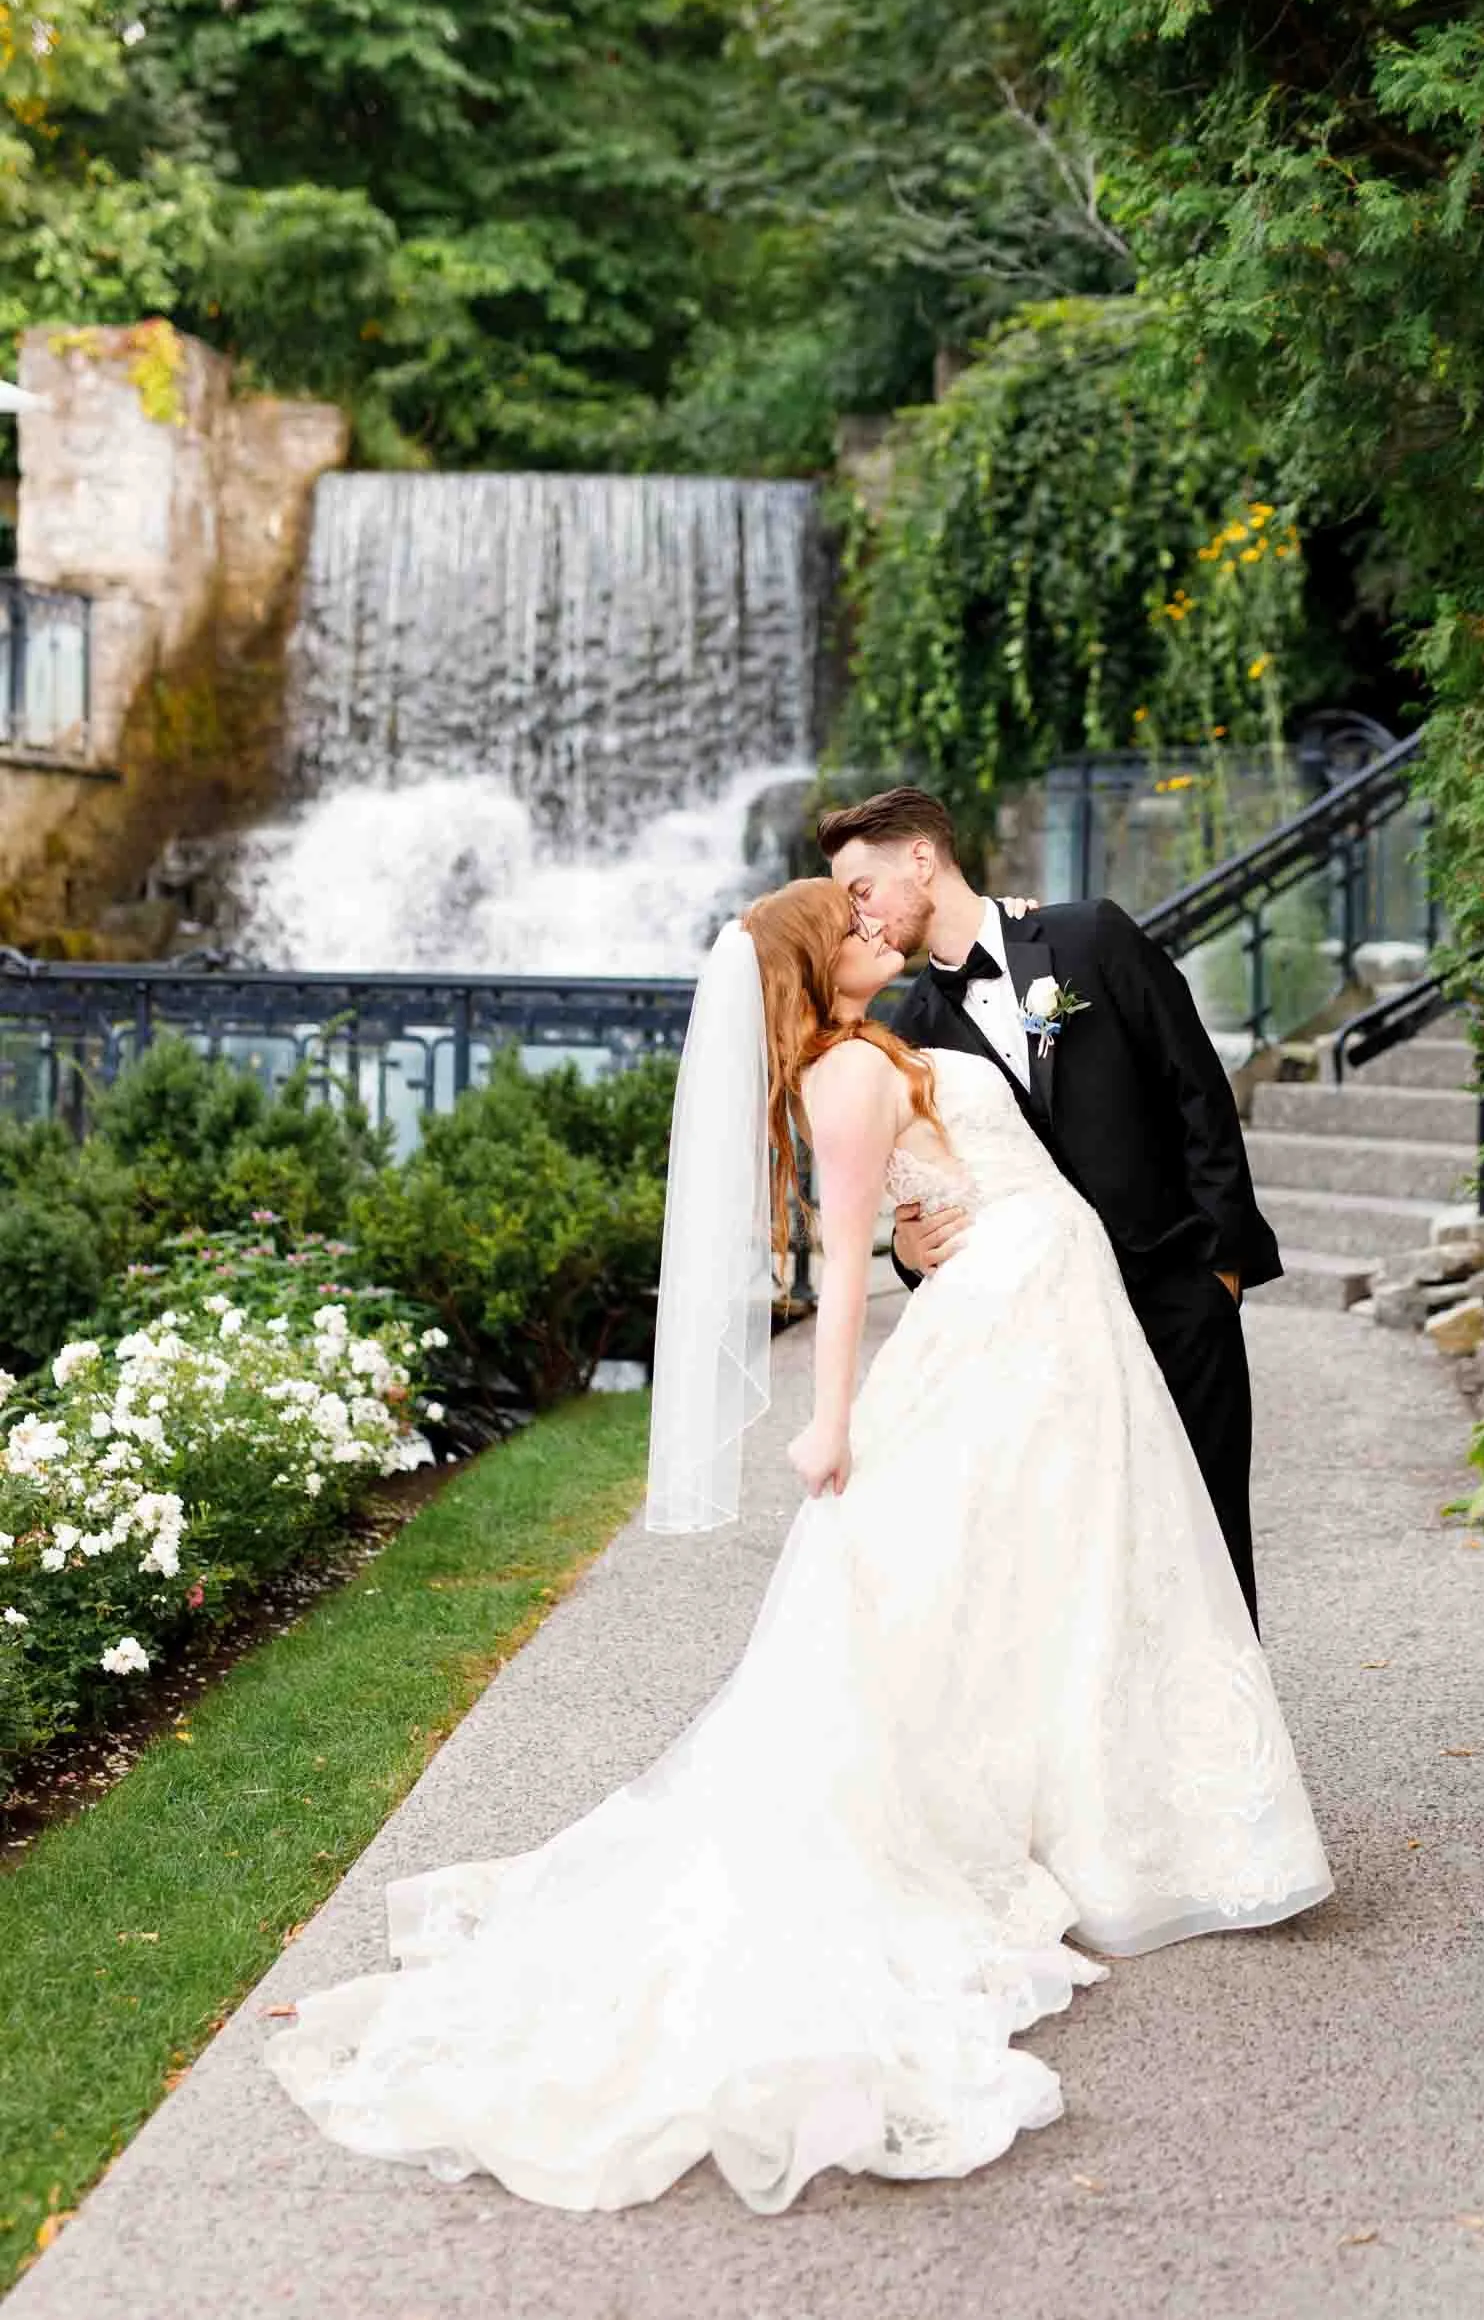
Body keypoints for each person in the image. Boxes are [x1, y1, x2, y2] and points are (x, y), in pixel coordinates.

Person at [264, 879, 1332, 2217]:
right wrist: (828, 1422)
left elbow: (931, 1191)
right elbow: (837, 1267)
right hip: (1004, 1331)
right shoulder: (842, 1074)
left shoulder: (891, 1041)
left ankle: (1091, 1812)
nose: (875, 924)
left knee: (1049, 1584)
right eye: (850, 921)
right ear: (816, 966)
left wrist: (932, 1227)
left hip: (1043, 1313)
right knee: (980, 1593)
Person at [820, 786, 1278, 1632]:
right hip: (1051, 1328)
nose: (861, 917)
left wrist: (1220, 1270)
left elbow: (1197, 1091)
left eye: (862, 890)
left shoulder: (1088, 936)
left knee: (1210, 1534)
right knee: (1094, 1548)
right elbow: (930, 1190)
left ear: (919, 859)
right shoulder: (909, 1034)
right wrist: (908, 1255)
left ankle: (1230, 1713)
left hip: (1172, 1291)